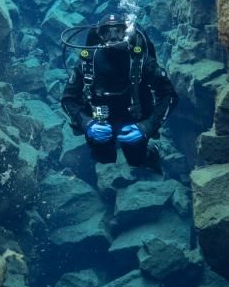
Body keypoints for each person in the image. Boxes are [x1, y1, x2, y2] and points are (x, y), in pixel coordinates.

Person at [60, 13, 178, 170]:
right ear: (99, 35)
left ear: (126, 33)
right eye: (107, 32)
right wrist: (87, 123)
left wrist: (147, 127)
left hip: (135, 119)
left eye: (118, 31)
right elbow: (68, 98)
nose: (113, 37)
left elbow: (169, 94)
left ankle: (150, 154)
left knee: (136, 160)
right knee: (103, 157)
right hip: (100, 120)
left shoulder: (141, 60)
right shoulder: (88, 62)